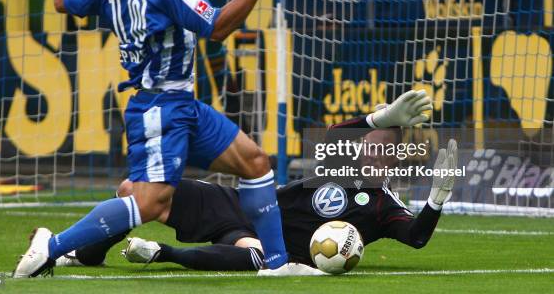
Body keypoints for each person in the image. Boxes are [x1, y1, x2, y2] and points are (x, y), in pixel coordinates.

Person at [13, 0, 305, 277]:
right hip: (160, 107)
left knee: (256, 163)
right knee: (148, 204)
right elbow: (216, 28)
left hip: (183, 105)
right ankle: (51, 246)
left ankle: (278, 265)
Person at [54, 91, 456, 272]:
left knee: (255, 258)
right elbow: (336, 133)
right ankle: (89, 252)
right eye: (369, 143)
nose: (370, 151)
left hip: (272, 249)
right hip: (240, 206)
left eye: (380, 147)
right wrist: (378, 119)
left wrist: (436, 200)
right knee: (131, 190)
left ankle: (162, 253)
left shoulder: (386, 207)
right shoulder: (342, 165)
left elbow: (416, 237)